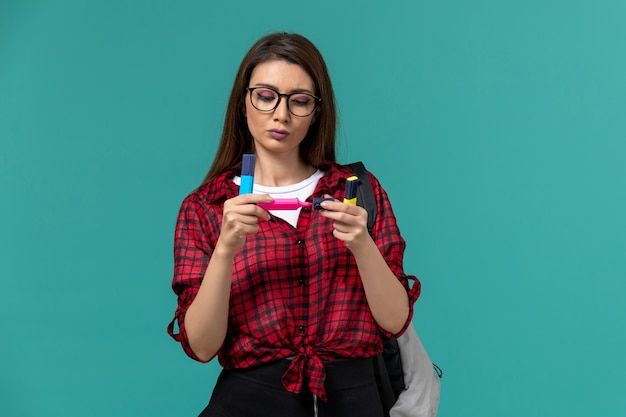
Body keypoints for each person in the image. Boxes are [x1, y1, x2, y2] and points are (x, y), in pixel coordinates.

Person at [167, 32, 421, 417]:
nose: (281, 115)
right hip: (250, 401)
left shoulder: (355, 190)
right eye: (266, 96)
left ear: (316, 111)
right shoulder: (205, 207)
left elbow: (396, 319)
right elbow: (202, 347)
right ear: (243, 103)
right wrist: (225, 248)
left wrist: (362, 245)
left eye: (299, 101)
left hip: (355, 400)